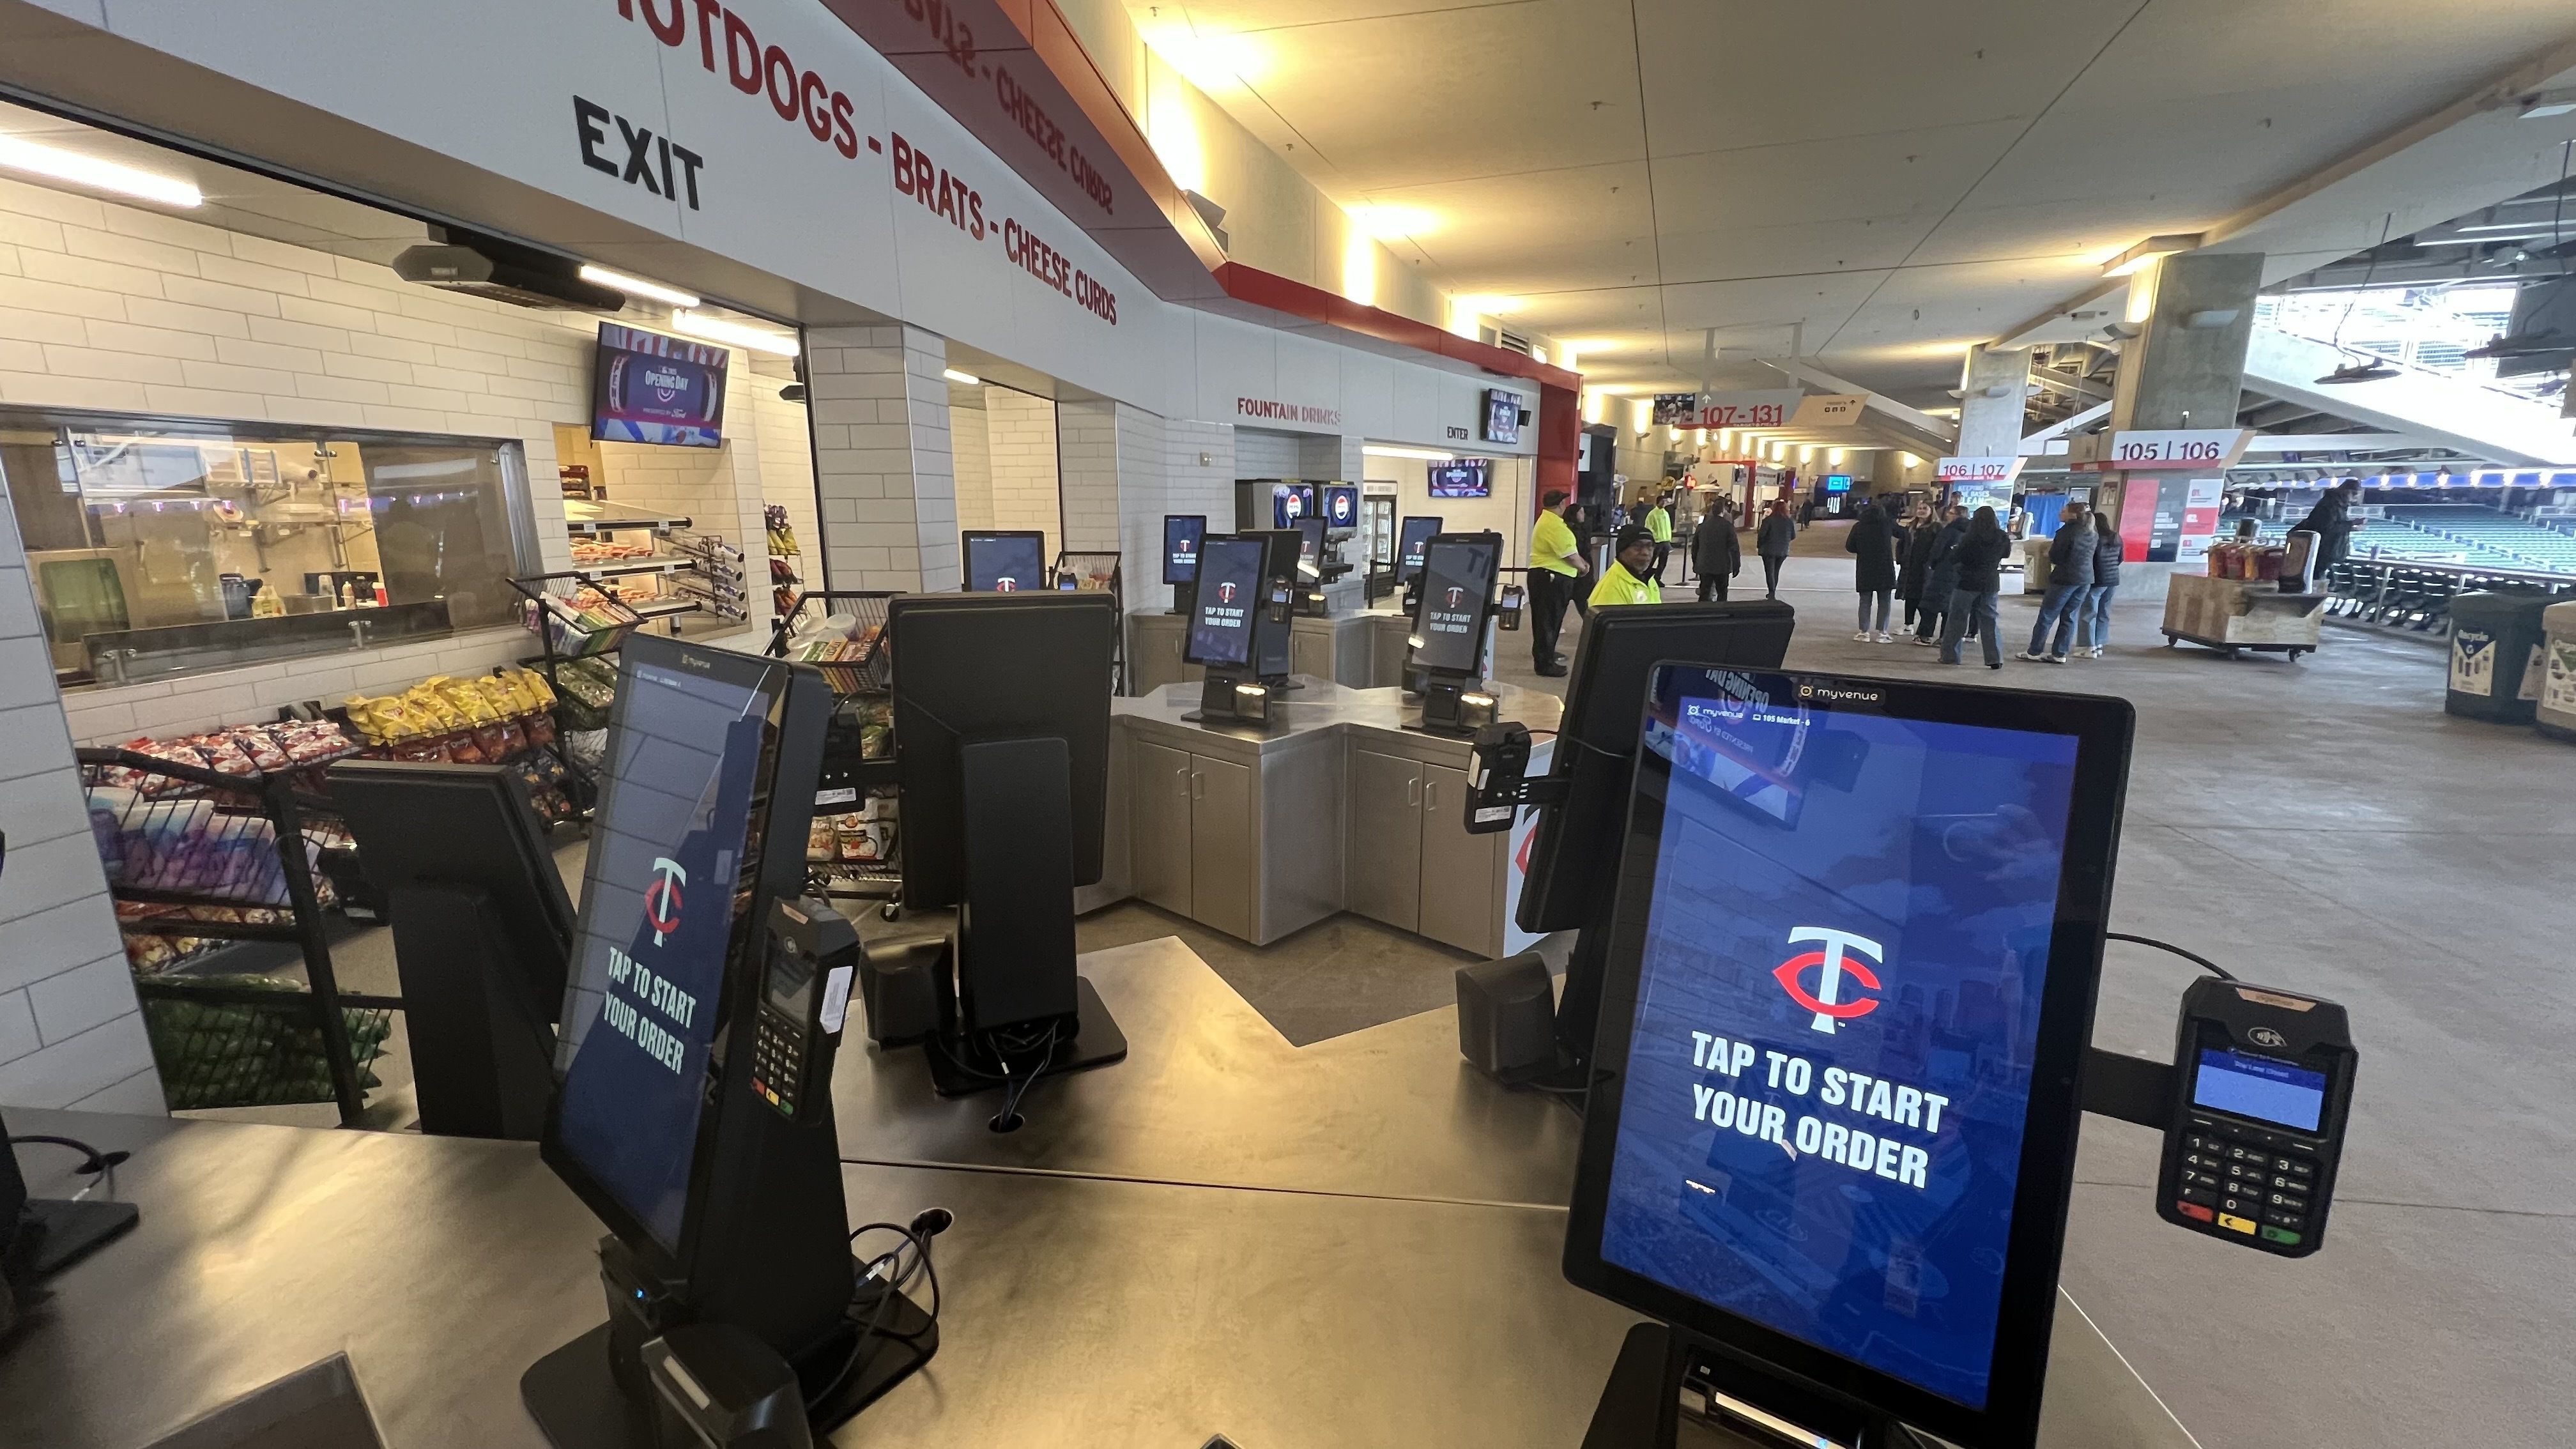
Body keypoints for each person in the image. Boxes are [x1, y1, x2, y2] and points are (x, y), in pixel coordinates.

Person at [2018, 502, 2096, 664]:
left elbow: (2056, 556)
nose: (2060, 513)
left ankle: (2034, 651)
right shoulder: (2091, 532)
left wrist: (2050, 553)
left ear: (2073, 514)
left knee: (2047, 615)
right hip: (2085, 579)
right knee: (2070, 617)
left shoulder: (2067, 532)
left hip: (2064, 578)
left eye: (2064, 511)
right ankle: (2059, 654)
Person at [1938, 507, 2012, 670]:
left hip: (1967, 582)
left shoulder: (1969, 537)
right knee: (1989, 619)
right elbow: (2006, 554)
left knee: (1957, 619)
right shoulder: (2001, 537)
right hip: (1990, 583)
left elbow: (1955, 558)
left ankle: (1950, 656)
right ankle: (1995, 658)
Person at [1526, 489, 1590, 677]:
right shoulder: (1554, 525)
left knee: (1547, 620)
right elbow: (1570, 555)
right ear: (1561, 504)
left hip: (1548, 577)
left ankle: (1546, 654)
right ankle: (1545, 664)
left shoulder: (1548, 521)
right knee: (1548, 621)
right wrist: (1584, 568)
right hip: (1551, 579)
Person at [1911, 505, 1968, 646]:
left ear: (1957, 516)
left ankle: (1925, 635)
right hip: (1960, 574)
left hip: (1943, 571)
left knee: (1932, 604)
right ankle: (1946, 637)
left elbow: (1937, 550)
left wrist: (1932, 564)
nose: (1948, 515)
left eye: (1951, 513)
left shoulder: (1949, 531)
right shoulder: (1969, 532)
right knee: (1950, 607)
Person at [1844, 500, 1899, 641]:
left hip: (1865, 567)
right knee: (1885, 600)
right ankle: (1882, 632)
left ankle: (1864, 631)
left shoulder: (1859, 526)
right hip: (1885, 567)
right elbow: (1903, 534)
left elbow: (1849, 546)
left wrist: (1862, 549)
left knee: (1865, 600)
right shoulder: (1887, 524)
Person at [2076, 508, 2122, 657]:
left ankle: (2088, 647)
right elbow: (2121, 559)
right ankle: (2099, 644)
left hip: (2097, 580)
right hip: (2113, 579)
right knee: (2104, 612)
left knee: (2089, 613)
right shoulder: (2116, 537)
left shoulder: (2095, 539)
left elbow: (2091, 560)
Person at [2291, 479, 2363, 572]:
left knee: (2323, 581)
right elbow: (2327, 528)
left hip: (2327, 553)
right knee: (2319, 580)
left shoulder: (2338, 505)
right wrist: (2351, 524)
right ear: (2347, 492)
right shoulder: (2330, 504)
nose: (2355, 499)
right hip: (2323, 552)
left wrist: (2351, 527)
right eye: (2354, 494)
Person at [1590, 525, 1663, 607]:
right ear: (1622, 550)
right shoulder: (1611, 589)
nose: (1645, 552)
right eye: (1637, 546)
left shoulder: (1648, 579)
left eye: (1650, 546)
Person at [1897, 506, 1940, 629]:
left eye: (1925, 508)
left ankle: (1925, 627)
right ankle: (1908, 624)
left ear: (1931, 511)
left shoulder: (1936, 528)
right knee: (1909, 596)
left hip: (1924, 568)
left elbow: (1937, 548)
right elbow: (1901, 544)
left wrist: (1931, 563)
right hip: (1909, 566)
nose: (1921, 510)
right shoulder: (1911, 526)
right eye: (1919, 508)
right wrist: (1901, 558)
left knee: (1923, 596)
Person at [1691, 500, 1741, 601]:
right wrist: (1736, 565)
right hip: (1722, 566)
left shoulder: (1702, 527)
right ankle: (1721, 614)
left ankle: (1702, 613)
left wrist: (1696, 563)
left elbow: (1695, 547)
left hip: (1705, 564)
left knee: (1704, 592)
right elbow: (1734, 548)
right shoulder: (1728, 526)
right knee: (1722, 592)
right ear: (1722, 511)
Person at [1755, 501, 1796, 599]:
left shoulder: (1768, 520)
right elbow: (1793, 536)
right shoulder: (1789, 521)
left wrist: (1759, 546)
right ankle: (1773, 591)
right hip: (1783, 550)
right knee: (1776, 571)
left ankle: (1772, 591)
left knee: (1769, 571)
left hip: (1769, 549)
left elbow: (1762, 535)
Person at [1643, 493, 1675, 583]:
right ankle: (1646, 577)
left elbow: (1667, 527)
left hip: (1665, 541)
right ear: (1658, 502)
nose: (1664, 503)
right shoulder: (1652, 514)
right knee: (1651, 561)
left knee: (1663, 562)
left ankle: (1658, 578)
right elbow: (1649, 527)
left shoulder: (1666, 513)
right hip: (1657, 542)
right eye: (1662, 501)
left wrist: (1669, 538)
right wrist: (1655, 537)